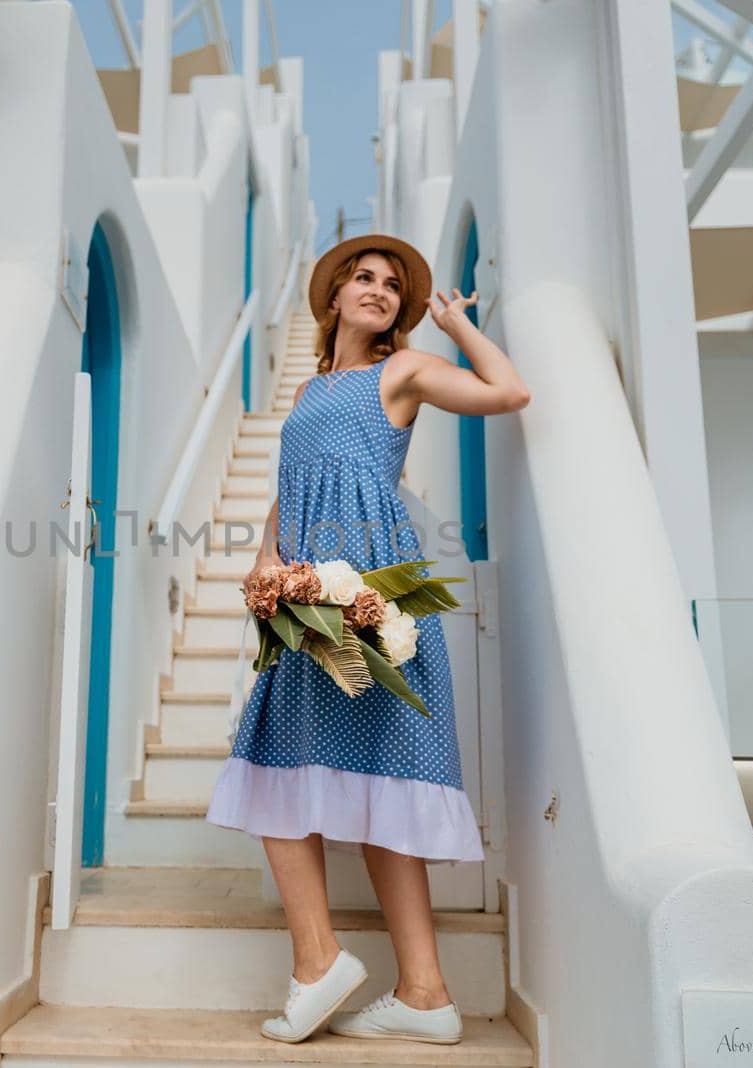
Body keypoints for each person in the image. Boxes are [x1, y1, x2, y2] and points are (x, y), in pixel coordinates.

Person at [204, 234, 531, 1045]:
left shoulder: (402, 372)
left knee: (368, 775)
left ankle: (341, 972)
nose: (380, 291)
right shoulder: (312, 390)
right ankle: (418, 995)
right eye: (366, 278)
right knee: (288, 767)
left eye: (394, 285)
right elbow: (291, 492)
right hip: (306, 600)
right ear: (336, 296)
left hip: (371, 594)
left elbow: (510, 391)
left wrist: (453, 324)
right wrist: (265, 563)